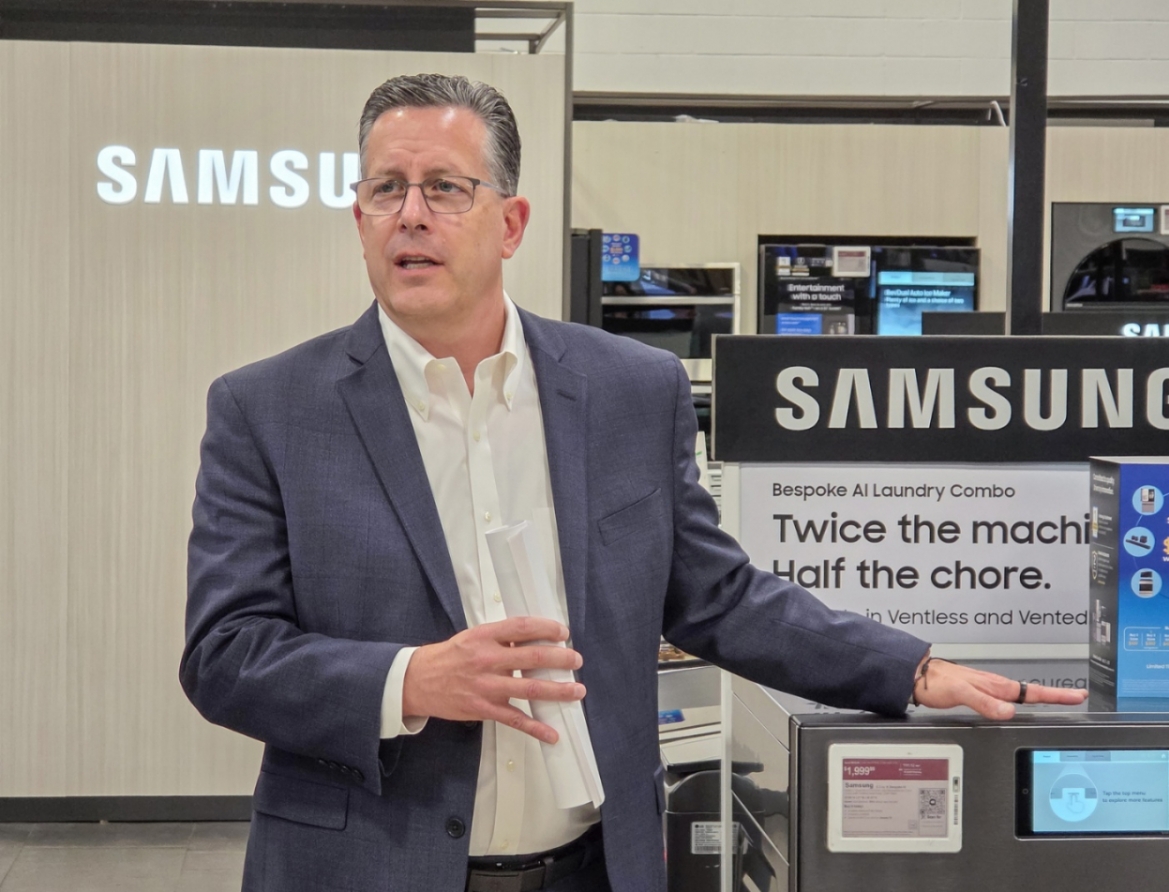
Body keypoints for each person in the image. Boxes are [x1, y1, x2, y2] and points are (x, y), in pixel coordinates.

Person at [180, 74, 1086, 892]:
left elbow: (716, 597)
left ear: (511, 223)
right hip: (362, 866)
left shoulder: (629, 391)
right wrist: (410, 680)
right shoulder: (268, 410)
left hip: (594, 868)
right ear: (360, 220)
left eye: (446, 187)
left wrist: (907, 670)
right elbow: (225, 654)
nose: (410, 214)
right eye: (386, 189)